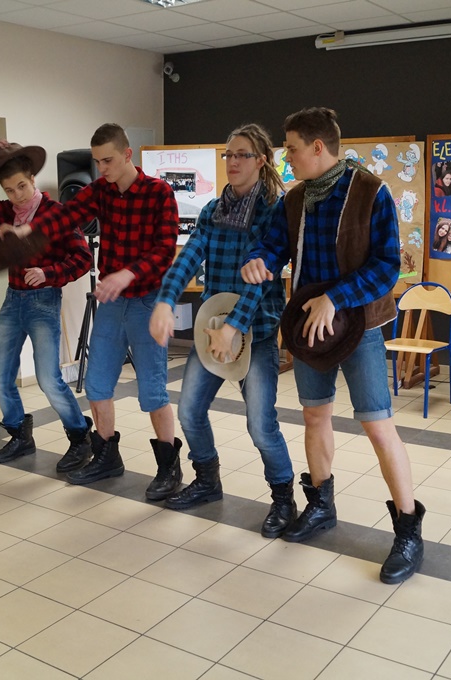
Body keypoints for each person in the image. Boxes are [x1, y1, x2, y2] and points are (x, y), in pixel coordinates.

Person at [242, 107, 426, 585]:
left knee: (378, 426)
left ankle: (408, 530)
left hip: (360, 327)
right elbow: (272, 244)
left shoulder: (371, 192)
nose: (287, 157)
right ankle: (321, 504)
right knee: (314, 415)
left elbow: (387, 267)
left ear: (318, 147)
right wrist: (260, 260)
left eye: (292, 148)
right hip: (309, 326)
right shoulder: (295, 198)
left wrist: (336, 298)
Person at [150, 123, 295, 536]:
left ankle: (284, 499)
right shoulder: (213, 210)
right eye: (228, 154)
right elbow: (188, 257)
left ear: (260, 161)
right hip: (214, 330)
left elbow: (262, 278)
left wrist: (236, 326)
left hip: (257, 332)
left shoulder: (273, 211)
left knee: (260, 425)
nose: (232, 161)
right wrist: (165, 299)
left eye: (241, 154)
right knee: (190, 411)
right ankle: (207, 480)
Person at [35, 123, 181, 500]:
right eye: (97, 161)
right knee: (97, 384)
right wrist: (29, 229)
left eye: (108, 160)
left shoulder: (159, 192)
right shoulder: (100, 190)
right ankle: (106, 456)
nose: (102, 168)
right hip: (112, 303)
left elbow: (166, 249)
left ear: (127, 154)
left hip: (147, 299)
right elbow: (67, 216)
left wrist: (128, 273)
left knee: (152, 391)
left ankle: (169, 467)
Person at [0, 141, 94, 466]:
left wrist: (48, 273)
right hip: (13, 301)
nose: (17, 195)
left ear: (33, 179)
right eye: (9, 190)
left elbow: (83, 259)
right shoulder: (7, 212)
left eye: (22, 186)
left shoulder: (56, 214)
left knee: (48, 380)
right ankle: (20, 435)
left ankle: (80, 438)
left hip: (43, 302)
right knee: (0, 376)